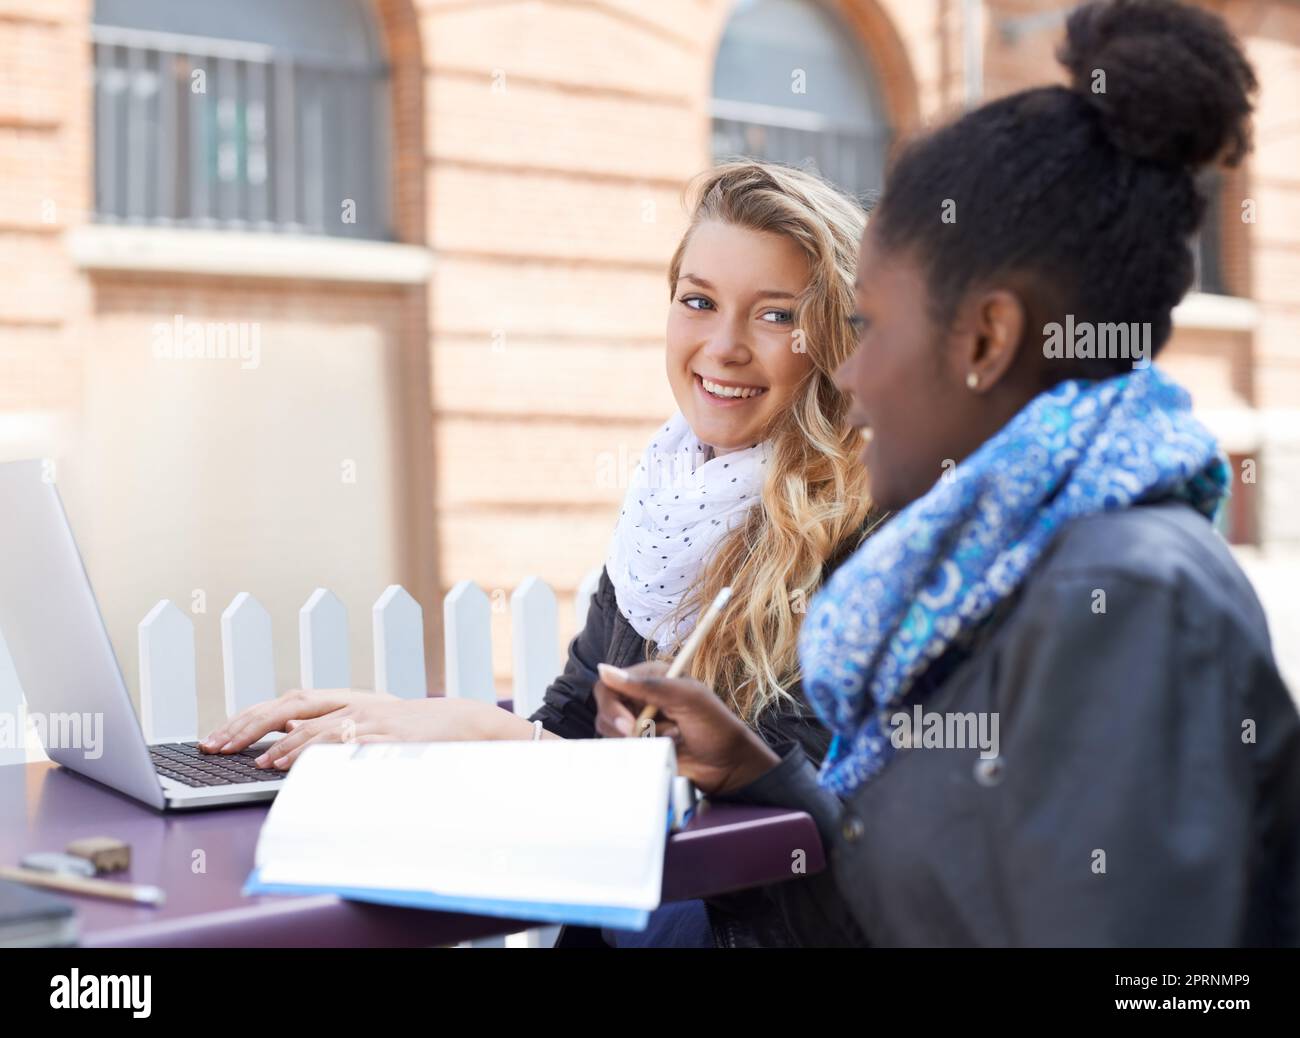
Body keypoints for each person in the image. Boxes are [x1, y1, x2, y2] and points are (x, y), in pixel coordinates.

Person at [594, 0, 1300, 947]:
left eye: (871, 327)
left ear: (985, 339)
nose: (847, 373)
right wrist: (759, 773)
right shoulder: (989, 579)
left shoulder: (1125, 596)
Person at [201, 161, 883, 946]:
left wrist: (488, 735)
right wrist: (414, 727)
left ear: (828, 339)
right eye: (698, 302)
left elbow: (815, 851)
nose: (722, 346)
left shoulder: (866, 539)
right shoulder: (669, 505)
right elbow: (571, 725)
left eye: (773, 316)